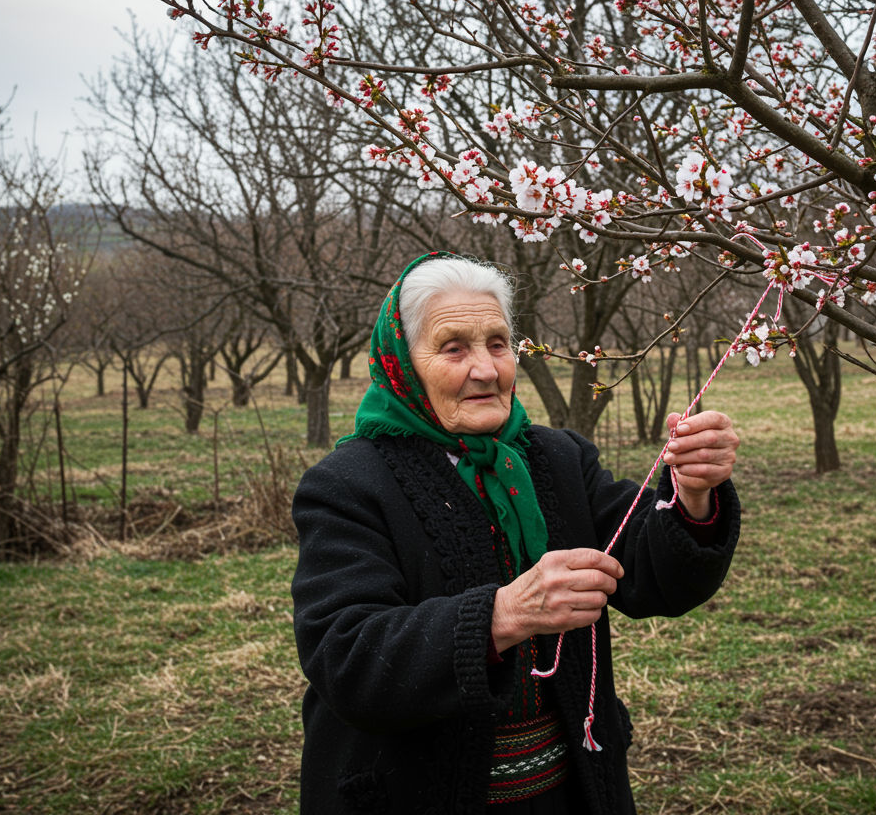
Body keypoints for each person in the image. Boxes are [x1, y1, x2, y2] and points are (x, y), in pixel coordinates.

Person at [291, 252, 741, 814]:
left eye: (498, 343)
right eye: (453, 347)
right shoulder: (348, 485)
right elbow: (348, 657)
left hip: (570, 792)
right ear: (403, 364)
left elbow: (655, 577)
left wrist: (693, 493)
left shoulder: (556, 459)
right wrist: (504, 614)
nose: (485, 369)